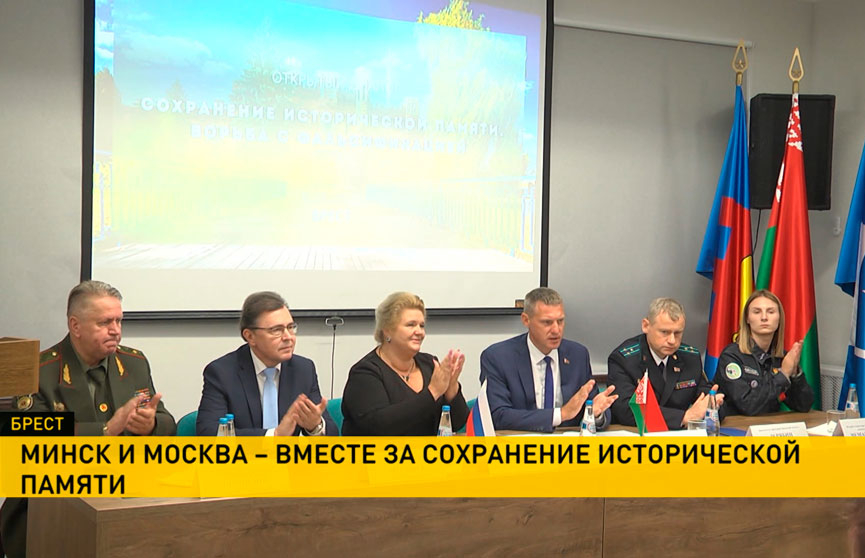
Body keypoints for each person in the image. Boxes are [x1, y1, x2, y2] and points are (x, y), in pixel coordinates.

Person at [0, 280, 176, 558]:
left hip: (124, 500)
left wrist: (150, 425)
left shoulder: (134, 363)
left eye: (119, 320)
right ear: (75, 326)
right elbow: (31, 440)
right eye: (104, 322)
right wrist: (104, 431)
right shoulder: (39, 371)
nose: (115, 330)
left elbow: (165, 420)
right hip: (51, 510)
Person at [196, 291, 337, 436]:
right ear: (250, 336)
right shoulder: (222, 373)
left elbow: (332, 433)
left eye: (290, 327)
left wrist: (314, 426)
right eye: (276, 330)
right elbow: (208, 432)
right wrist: (273, 436)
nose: (288, 337)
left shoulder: (303, 369)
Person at [480, 287, 616, 433]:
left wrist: (594, 414)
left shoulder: (577, 355)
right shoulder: (498, 357)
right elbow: (498, 416)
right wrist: (561, 414)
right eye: (547, 322)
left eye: (560, 321)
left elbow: (593, 404)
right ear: (526, 320)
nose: (556, 330)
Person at [341, 292, 469, 435]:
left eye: (422, 326)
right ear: (387, 331)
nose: (419, 332)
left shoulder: (429, 364)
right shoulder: (365, 373)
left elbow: (457, 423)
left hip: (427, 449)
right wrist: (432, 392)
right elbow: (381, 427)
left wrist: (451, 387)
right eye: (411, 325)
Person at [608, 297, 724, 429]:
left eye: (677, 333)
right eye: (664, 332)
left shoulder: (690, 357)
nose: (672, 340)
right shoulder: (624, 359)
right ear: (646, 326)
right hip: (636, 434)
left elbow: (705, 397)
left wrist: (713, 404)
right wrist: (684, 417)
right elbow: (625, 409)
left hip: (679, 436)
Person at [714, 289, 813, 415]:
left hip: (769, 425)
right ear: (747, 319)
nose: (764, 317)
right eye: (757, 312)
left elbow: (803, 405)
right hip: (735, 425)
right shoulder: (731, 356)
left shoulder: (781, 358)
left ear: (779, 318)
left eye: (771, 312)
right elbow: (748, 406)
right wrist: (783, 375)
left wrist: (794, 373)